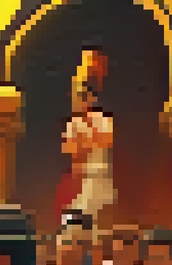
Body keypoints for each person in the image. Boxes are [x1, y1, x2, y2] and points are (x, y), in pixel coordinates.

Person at [58, 49, 115, 226]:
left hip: (101, 179)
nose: (81, 101)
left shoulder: (103, 120)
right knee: (74, 223)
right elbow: (71, 151)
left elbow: (105, 141)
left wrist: (86, 140)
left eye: (84, 96)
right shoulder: (73, 124)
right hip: (80, 181)